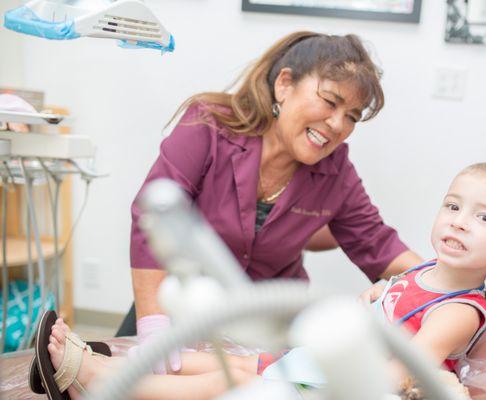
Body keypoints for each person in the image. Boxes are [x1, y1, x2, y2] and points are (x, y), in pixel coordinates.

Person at [38, 162, 486, 399]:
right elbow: (375, 304)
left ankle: (94, 382)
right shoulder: (418, 274)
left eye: (484, 219)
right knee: (200, 356)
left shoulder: (459, 308)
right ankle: (95, 360)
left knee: (228, 379)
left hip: (333, 385)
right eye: (453, 206)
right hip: (309, 363)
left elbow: (406, 370)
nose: (458, 221)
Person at [128, 31, 422, 373]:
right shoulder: (209, 124)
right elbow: (153, 217)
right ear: (284, 84)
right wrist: (153, 326)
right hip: (182, 310)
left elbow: (379, 244)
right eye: (330, 101)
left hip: (269, 330)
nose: (338, 124)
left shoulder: (336, 169)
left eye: (353, 116)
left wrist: (452, 285)